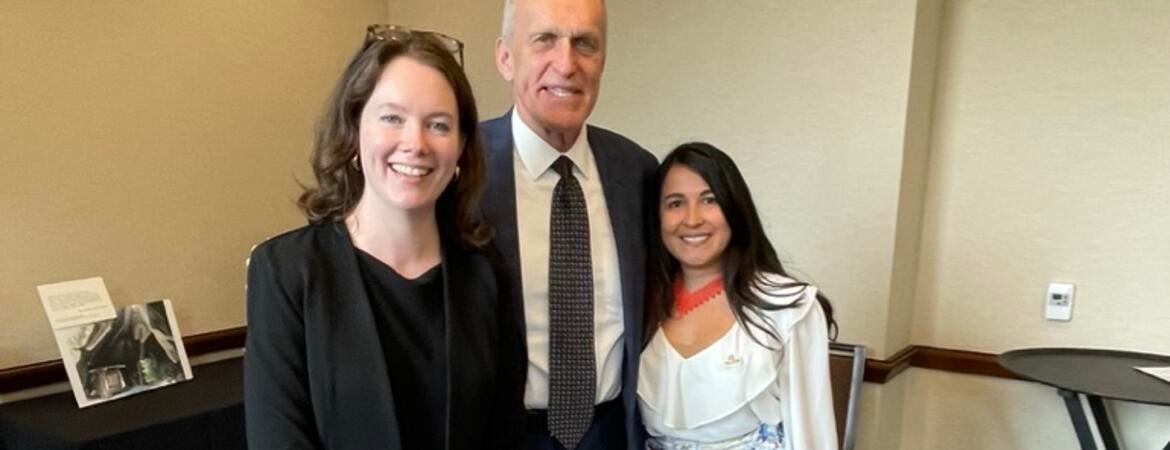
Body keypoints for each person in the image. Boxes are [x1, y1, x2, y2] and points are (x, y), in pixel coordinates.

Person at [244, 25, 525, 450]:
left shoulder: (486, 271)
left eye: (438, 125)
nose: (415, 143)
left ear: (461, 148)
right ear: (354, 131)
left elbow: (505, 437)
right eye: (392, 118)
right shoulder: (285, 273)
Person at [479, 0, 658, 449]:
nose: (566, 63)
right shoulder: (461, 167)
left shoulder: (637, 171)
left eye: (585, 44)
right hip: (499, 435)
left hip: (613, 433)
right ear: (505, 57)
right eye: (544, 40)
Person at [638, 142, 839, 450]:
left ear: (735, 209)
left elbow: (812, 434)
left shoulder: (787, 308)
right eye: (675, 203)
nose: (692, 219)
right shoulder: (638, 302)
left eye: (709, 200)